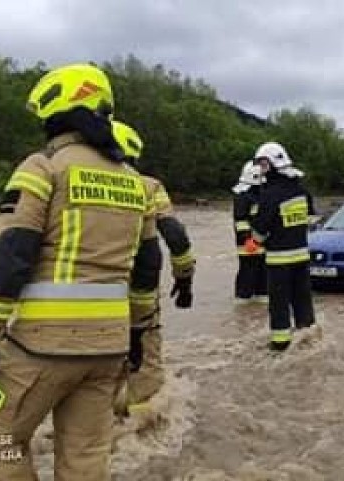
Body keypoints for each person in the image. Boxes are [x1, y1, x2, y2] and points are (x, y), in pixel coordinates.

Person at [0, 63, 160, 481]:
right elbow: (147, 270)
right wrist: (138, 333)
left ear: (56, 114)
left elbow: (7, 263)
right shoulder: (137, 183)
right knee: (87, 458)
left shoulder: (43, 168)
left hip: (43, 346)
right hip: (109, 350)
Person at [108, 121, 195, 417]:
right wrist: (184, 281)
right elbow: (175, 236)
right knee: (144, 369)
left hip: (79, 297)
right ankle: (140, 428)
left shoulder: (68, 179)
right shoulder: (148, 186)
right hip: (137, 295)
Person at [249, 142, 316, 351]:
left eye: (262, 164)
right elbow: (311, 220)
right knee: (303, 301)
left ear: (271, 164)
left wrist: (255, 242)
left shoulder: (270, 194)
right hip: (302, 257)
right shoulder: (302, 191)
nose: (260, 169)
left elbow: (261, 227)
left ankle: (280, 346)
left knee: (279, 305)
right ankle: (308, 339)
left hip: (279, 260)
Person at [232, 160, 268, 303]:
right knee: (248, 269)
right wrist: (247, 239)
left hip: (262, 240)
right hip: (247, 243)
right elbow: (240, 220)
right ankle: (243, 297)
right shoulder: (243, 196)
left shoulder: (262, 193)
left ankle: (261, 295)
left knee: (263, 270)